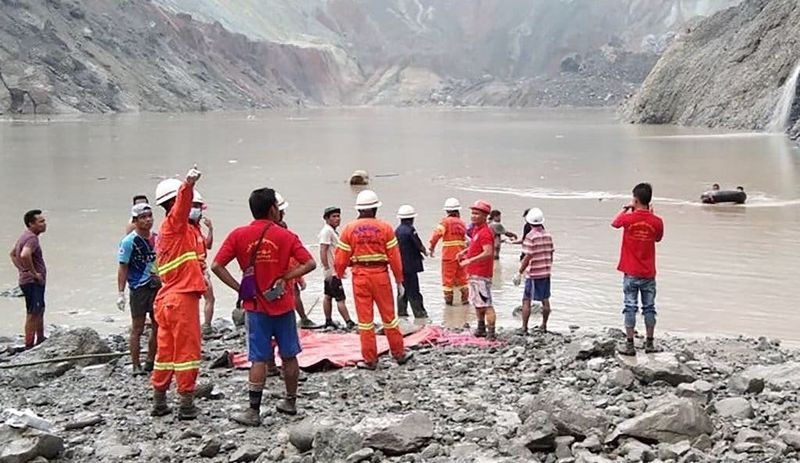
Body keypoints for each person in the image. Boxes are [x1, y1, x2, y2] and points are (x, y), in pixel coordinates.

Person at [212, 187, 316, 425]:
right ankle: (290, 401)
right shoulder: (286, 236)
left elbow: (217, 265)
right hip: (283, 305)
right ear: (272, 209)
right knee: (289, 355)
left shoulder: (238, 235)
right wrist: (288, 276)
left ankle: (253, 411)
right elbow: (310, 263)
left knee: (258, 358)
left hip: (255, 307)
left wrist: (240, 288)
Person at [150, 167, 207, 420]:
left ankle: (159, 399)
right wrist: (188, 184)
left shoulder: (174, 234)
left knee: (165, 352)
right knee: (186, 352)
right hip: (181, 299)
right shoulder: (174, 225)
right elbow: (181, 208)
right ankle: (186, 403)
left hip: (166, 300)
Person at [334, 190, 413, 370]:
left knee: (365, 320)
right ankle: (399, 353)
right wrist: (399, 280)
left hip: (360, 276)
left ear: (359, 209)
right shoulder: (385, 228)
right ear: (376, 208)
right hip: (381, 276)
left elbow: (340, 258)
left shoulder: (349, 229)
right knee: (389, 318)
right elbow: (395, 257)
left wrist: (338, 274)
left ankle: (370, 359)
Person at [611, 182, 664, 356]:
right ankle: (649, 343)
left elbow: (614, 223)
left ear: (635, 199)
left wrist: (626, 208)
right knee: (649, 307)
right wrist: (651, 215)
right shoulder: (657, 221)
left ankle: (630, 345)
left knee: (630, 306)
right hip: (648, 272)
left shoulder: (628, 218)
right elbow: (657, 239)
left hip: (630, 272)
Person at [117, 203, 160, 375]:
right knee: (138, 328)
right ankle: (135, 365)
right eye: (143, 217)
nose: (148, 220)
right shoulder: (129, 242)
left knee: (158, 325)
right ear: (135, 221)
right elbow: (123, 267)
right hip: (138, 288)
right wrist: (121, 292)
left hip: (156, 286)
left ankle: (150, 360)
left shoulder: (158, 238)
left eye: (149, 216)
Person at [275, 192, 316, 328]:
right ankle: (302, 318)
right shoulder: (289, 239)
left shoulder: (246, 235)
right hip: (284, 283)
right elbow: (309, 263)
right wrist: (294, 278)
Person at [458, 200, 497, 339]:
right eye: (473, 213)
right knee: (477, 302)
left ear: (485, 216)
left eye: (477, 214)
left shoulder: (486, 232)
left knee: (486, 304)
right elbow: (476, 245)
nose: (473, 216)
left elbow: (488, 252)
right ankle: (481, 328)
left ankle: (491, 333)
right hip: (473, 272)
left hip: (482, 273)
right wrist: (465, 252)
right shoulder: (476, 230)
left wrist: (470, 260)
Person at [9, 210, 48, 349]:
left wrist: (22, 269)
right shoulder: (32, 238)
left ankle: (41, 338)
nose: (44, 224)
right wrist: (33, 273)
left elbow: (13, 254)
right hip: (32, 282)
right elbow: (25, 255)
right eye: (41, 221)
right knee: (33, 312)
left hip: (28, 280)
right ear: (31, 224)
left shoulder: (24, 236)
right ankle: (29, 345)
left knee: (39, 309)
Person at [513, 208, 554, 333]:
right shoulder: (548, 235)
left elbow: (528, 256)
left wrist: (519, 272)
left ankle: (524, 327)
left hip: (533, 274)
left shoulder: (530, 237)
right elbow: (551, 254)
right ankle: (544, 325)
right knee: (545, 299)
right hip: (546, 273)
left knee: (526, 299)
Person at [318, 206, 355, 329]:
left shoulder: (331, 231)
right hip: (332, 271)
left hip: (332, 271)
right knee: (340, 298)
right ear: (326, 219)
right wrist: (327, 268)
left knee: (328, 296)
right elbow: (323, 250)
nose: (337, 219)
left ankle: (328, 321)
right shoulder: (327, 231)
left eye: (338, 216)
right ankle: (349, 322)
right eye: (333, 216)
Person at [428, 198, 469, 305]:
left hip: (448, 256)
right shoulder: (462, 223)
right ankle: (465, 301)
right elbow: (468, 239)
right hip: (462, 255)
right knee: (463, 279)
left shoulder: (445, 222)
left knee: (447, 280)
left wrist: (431, 248)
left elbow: (436, 235)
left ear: (447, 211)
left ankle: (449, 304)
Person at [190, 191, 216, 337]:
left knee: (209, 299)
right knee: (205, 299)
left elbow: (208, 245)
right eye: (198, 207)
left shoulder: (197, 229)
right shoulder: (187, 230)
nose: (200, 212)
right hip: (197, 270)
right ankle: (203, 326)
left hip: (202, 268)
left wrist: (210, 229)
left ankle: (206, 326)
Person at [395, 205, 428, 319]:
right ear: (412, 218)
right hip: (410, 267)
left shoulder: (397, 231)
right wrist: (425, 252)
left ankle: (401, 313)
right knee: (414, 290)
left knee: (402, 290)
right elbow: (418, 244)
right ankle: (419, 313)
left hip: (399, 266)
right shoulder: (410, 230)